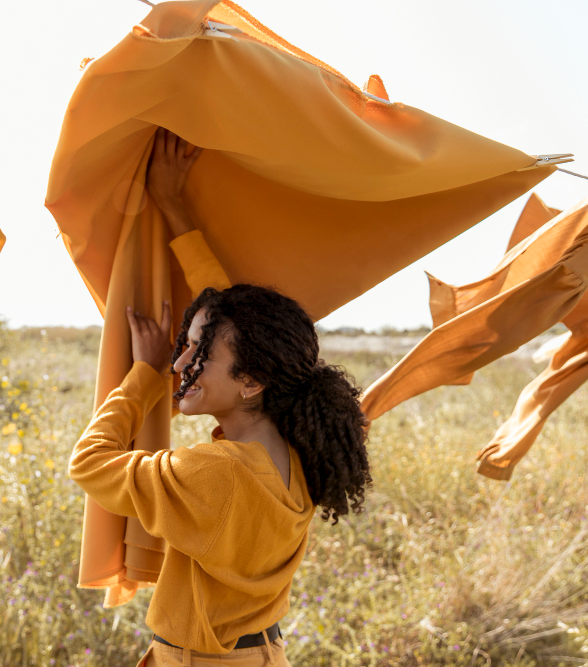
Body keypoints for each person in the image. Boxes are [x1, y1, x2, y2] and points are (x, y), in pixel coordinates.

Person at [69, 128, 372, 667]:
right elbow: (229, 317)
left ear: (252, 382)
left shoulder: (216, 473)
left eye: (198, 353)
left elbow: (89, 464)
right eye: (186, 346)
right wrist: (173, 207)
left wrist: (143, 376)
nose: (180, 363)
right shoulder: (294, 450)